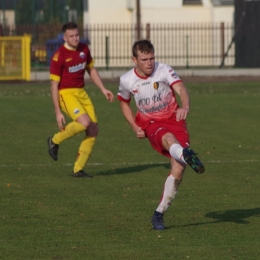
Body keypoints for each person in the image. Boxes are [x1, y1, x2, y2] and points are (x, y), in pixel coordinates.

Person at [117, 39, 205, 230]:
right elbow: (124, 102)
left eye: (152, 58)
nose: (150, 63)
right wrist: (134, 126)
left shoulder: (164, 70)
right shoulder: (126, 80)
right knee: (168, 139)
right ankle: (185, 154)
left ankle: (159, 213)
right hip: (151, 123)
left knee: (179, 170)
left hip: (175, 120)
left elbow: (180, 88)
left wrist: (186, 106)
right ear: (134, 60)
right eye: (144, 59)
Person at [47, 22, 114, 177]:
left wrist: (103, 89)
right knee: (84, 122)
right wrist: (58, 112)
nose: (75, 38)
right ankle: (54, 140)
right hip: (66, 94)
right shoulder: (59, 56)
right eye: (72, 36)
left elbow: (91, 69)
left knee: (93, 129)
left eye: (77, 35)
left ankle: (78, 169)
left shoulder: (84, 49)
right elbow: (53, 86)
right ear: (65, 37)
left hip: (81, 93)